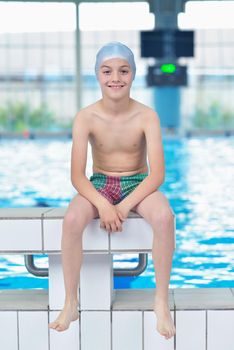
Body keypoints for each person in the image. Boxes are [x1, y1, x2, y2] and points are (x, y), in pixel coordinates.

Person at [49, 42, 176, 340]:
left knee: (165, 219)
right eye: (107, 71)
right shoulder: (86, 117)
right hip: (100, 183)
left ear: (132, 75)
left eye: (123, 70)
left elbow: (157, 174)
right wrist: (103, 205)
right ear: (97, 75)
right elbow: (77, 176)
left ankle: (160, 301)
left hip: (138, 182)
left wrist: (124, 205)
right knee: (71, 221)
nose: (115, 77)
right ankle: (70, 301)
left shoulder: (147, 116)